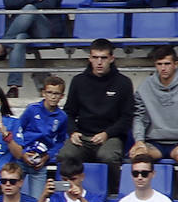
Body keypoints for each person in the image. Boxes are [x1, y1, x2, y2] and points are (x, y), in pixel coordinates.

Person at [58, 39, 136, 183]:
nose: (99, 62)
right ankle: (67, 192)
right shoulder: (78, 81)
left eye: (104, 58)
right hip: (83, 136)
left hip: (111, 136)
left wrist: (107, 134)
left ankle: (113, 192)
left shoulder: (123, 83)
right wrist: (73, 132)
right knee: (65, 154)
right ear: (90, 58)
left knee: (108, 156)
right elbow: (69, 112)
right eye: (95, 57)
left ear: (112, 59)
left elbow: (127, 118)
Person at [130, 45, 178, 197]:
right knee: (137, 156)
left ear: (175, 64)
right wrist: (139, 140)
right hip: (153, 143)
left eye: (167, 64)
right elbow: (139, 116)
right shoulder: (145, 87)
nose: (163, 68)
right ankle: (142, 196)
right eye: (159, 64)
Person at [16, 76, 69, 175]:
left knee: (39, 191)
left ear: (62, 96)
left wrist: (47, 156)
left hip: (41, 159)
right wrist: (22, 153)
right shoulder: (32, 109)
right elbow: (17, 131)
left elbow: (60, 141)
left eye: (57, 93)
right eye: (49, 92)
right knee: (15, 187)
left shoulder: (62, 117)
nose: (53, 97)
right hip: (22, 157)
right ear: (43, 93)